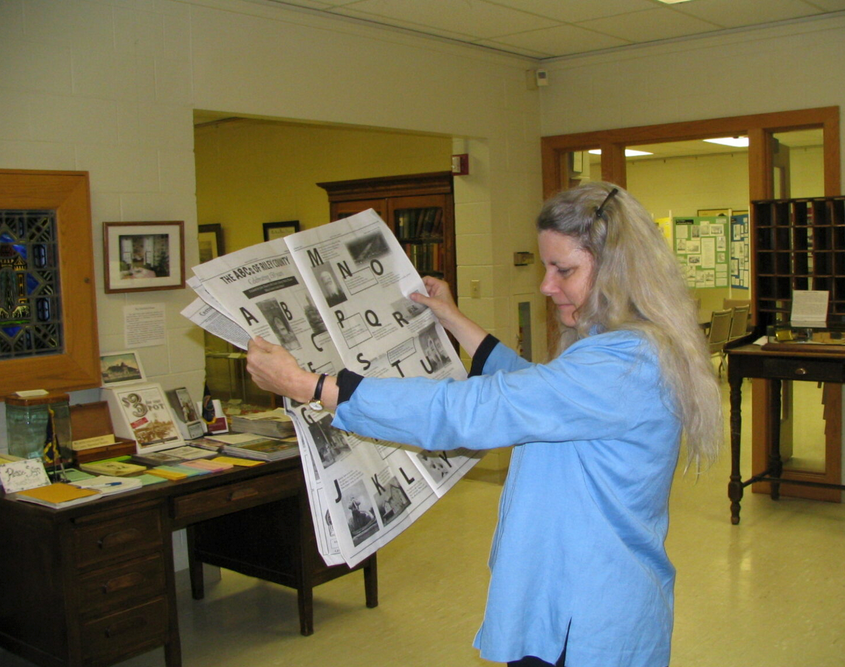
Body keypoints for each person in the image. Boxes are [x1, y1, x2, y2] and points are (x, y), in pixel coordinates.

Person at [246, 182, 722, 667]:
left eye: (565, 270)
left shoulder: (625, 363)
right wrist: (453, 319)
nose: (545, 285)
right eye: (546, 267)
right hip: (573, 594)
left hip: (586, 614)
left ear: (618, 269)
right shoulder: (621, 346)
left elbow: (476, 409)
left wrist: (315, 386)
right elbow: (536, 390)